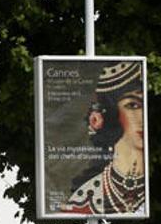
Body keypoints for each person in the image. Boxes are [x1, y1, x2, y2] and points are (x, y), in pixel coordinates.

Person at [62, 61, 145, 215]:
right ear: (111, 114)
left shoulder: (148, 193)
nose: (142, 118)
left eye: (143, 106)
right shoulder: (84, 198)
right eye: (132, 105)